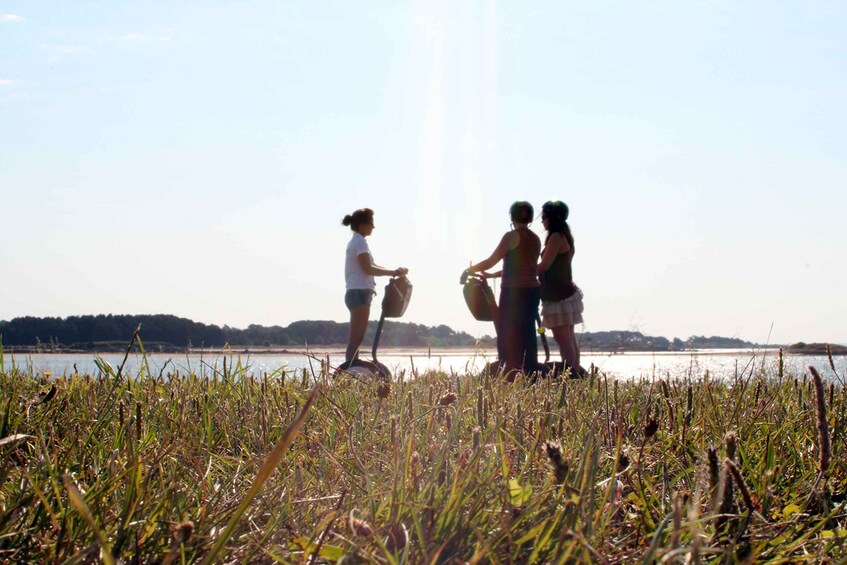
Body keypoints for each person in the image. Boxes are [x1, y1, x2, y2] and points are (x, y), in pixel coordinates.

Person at [462, 201, 541, 375]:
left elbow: (491, 261)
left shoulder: (511, 236)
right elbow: (524, 266)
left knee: (507, 331)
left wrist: (469, 269)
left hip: (514, 292)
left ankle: (509, 368)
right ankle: (530, 369)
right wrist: (492, 276)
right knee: (527, 331)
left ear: (512, 216)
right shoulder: (535, 238)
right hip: (533, 291)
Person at [342, 208, 408, 364]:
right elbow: (368, 269)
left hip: (357, 292)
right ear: (363, 224)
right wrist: (392, 272)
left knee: (356, 337)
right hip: (359, 292)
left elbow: (372, 264)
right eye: (371, 223)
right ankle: (349, 371)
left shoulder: (357, 241)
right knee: (356, 338)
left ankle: (351, 369)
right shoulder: (359, 241)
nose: (373, 227)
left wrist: (394, 272)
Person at [537, 200, 585, 374]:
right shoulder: (563, 235)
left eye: (543, 216)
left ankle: (571, 374)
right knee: (567, 337)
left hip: (558, 295)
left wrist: (518, 272)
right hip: (562, 292)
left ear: (552, 217)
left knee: (563, 338)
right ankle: (575, 372)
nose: (542, 221)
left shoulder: (557, 237)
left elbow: (544, 266)